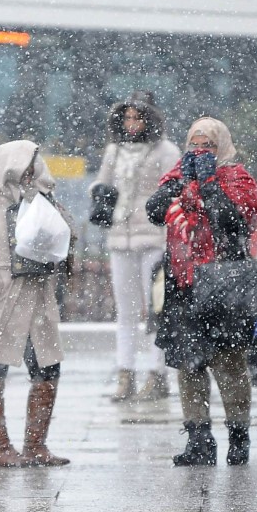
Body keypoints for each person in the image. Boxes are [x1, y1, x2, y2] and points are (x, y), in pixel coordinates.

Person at [146, 117, 257, 467]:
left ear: (222, 146)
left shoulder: (237, 178)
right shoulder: (178, 177)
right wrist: (182, 180)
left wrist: (210, 183)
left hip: (225, 286)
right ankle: (199, 438)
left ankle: (239, 437)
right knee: (188, 362)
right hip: (184, 284)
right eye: (195, 145)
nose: (201, 152)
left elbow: (235, 223)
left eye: (208, 145)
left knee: (230, 362)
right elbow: (153, 212)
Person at [0, 139, 75, 468]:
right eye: (24, 165)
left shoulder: (43, 196)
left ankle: (36, 445)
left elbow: (62, 238)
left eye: (32, 165)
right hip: (1, 297)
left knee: (48, 368)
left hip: (38, 295)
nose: (29, 172)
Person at [88, 91, 182, 402]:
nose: (131, 123)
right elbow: (101, 182)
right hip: (119, 236)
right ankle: (125, 375)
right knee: (126, 312)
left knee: (158, 310)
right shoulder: (114, 151)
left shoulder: (166, 150)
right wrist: (101, 195)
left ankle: (157, 374)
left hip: (154, 236)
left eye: (137, 117)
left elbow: (174, 188)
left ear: (150, 118)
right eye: (127, 117)